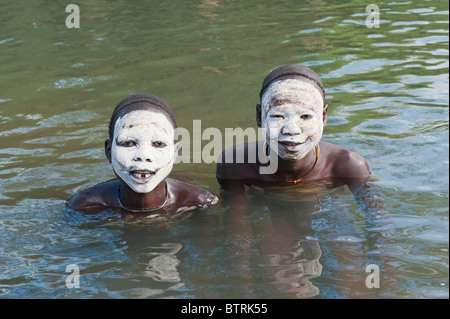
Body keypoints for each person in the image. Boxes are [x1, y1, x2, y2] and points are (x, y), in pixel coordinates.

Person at [215, 64, 390, 298]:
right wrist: (244, 280)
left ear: (324, 116)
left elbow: (379, 223)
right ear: (259, 116)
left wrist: (386, 281)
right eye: (277, 116)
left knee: (353, 284)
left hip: (330, 214)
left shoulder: (347, 164)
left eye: (306, 116)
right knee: (283, 285)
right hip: (273, 216)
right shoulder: (235, 164)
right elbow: (236, 221)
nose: (291, 130)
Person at [67, 93, 219, 223]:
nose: (143, 156)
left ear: (174, 153)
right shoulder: (85, 206)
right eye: (128, 143)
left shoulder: (201, 203)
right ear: (108, 151)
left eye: (158, 143)